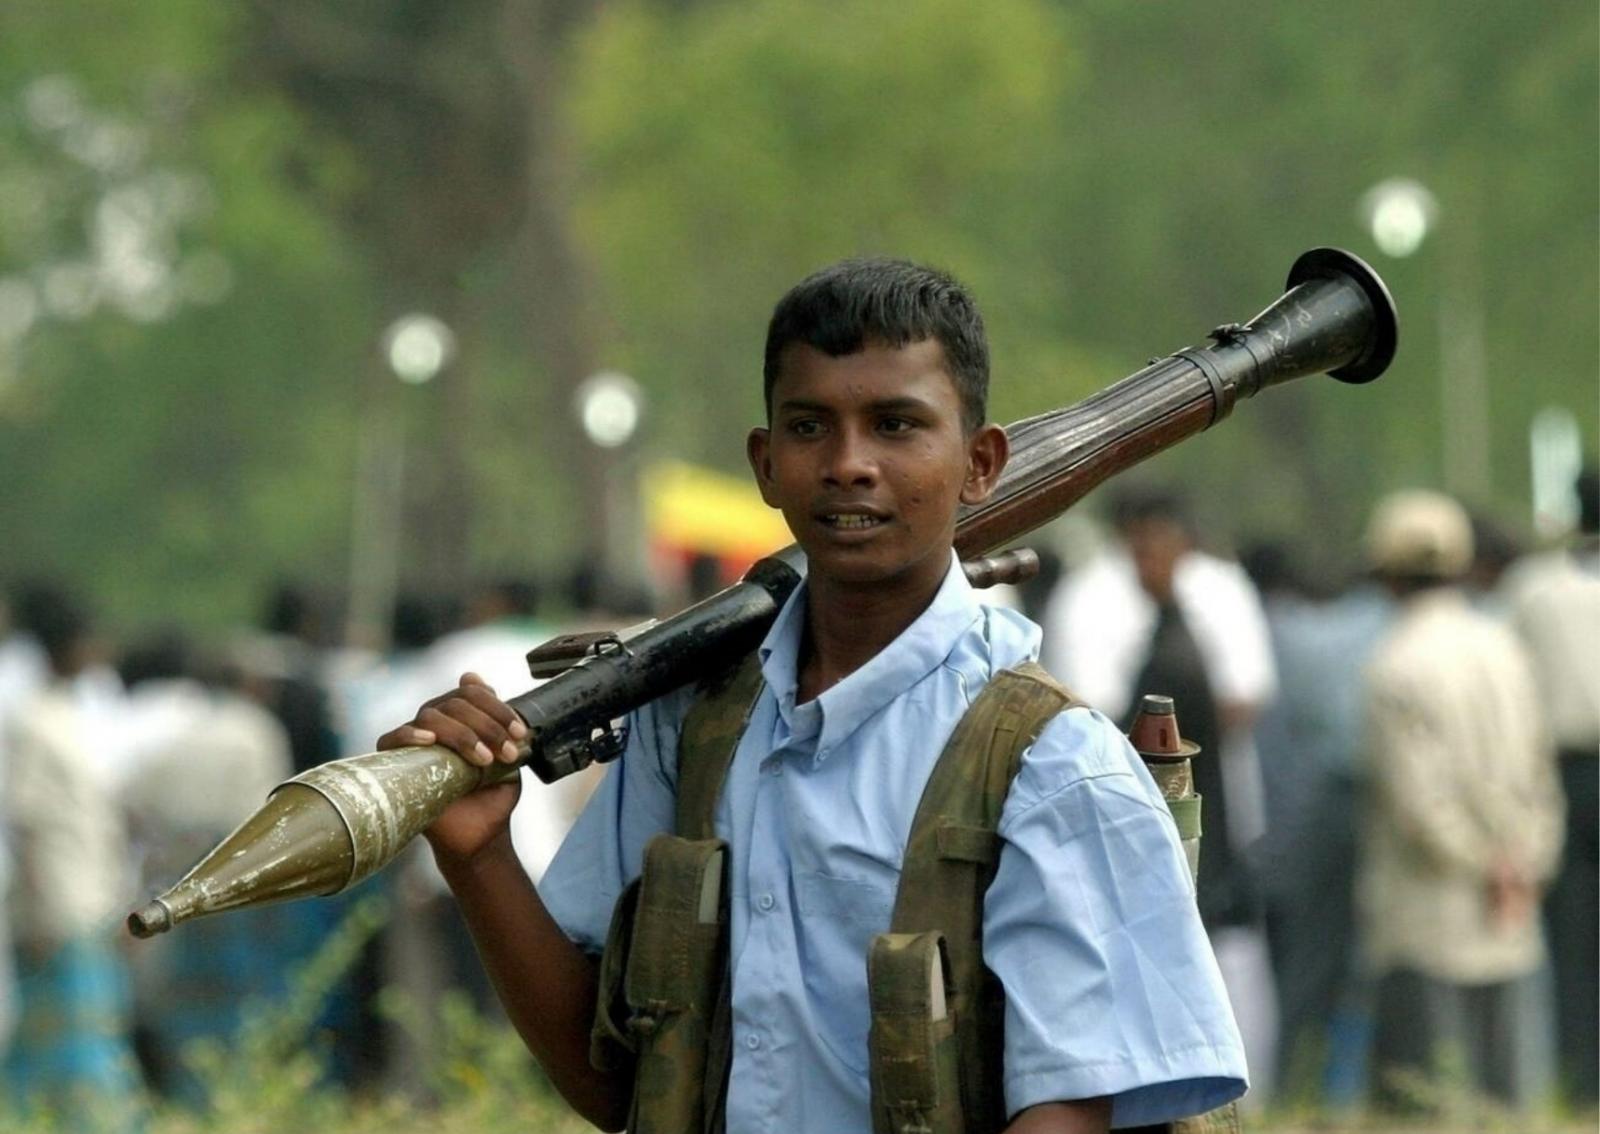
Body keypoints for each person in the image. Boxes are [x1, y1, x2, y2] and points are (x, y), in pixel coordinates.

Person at [381, 259, 1247, 1132]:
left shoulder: (1051, 762)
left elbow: (1069, 1110)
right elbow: (615, 1081)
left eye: (896, 426)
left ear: (981, 463)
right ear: (765, 464)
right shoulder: (693, 724)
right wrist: (478, 856)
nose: (848, 465)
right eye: (810, 427)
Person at [1040, 487, 1278, 1100]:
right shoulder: (1091, 596)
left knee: (1223, 935)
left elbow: (1244, 696)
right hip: (1120, 793)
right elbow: (1081, 709)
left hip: (1214, 794)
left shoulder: (1220, 592)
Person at [1357, 490, 1564, 1112]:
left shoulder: (1393, 664)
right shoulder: (1504, 646)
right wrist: (1522, 864)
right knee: (1511, 1098)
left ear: (1387, 574)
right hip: (1512, 904)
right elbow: (1539, 771)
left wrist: (1481, 865)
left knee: (1430, 1099)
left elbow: (1421, 810)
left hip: (1428, 917)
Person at [1500, 467, 1599, 1106]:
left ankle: (1582, 1076)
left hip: (1563, 772)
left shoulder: (1534, 586)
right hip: (1567, 770)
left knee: (1571, 935)